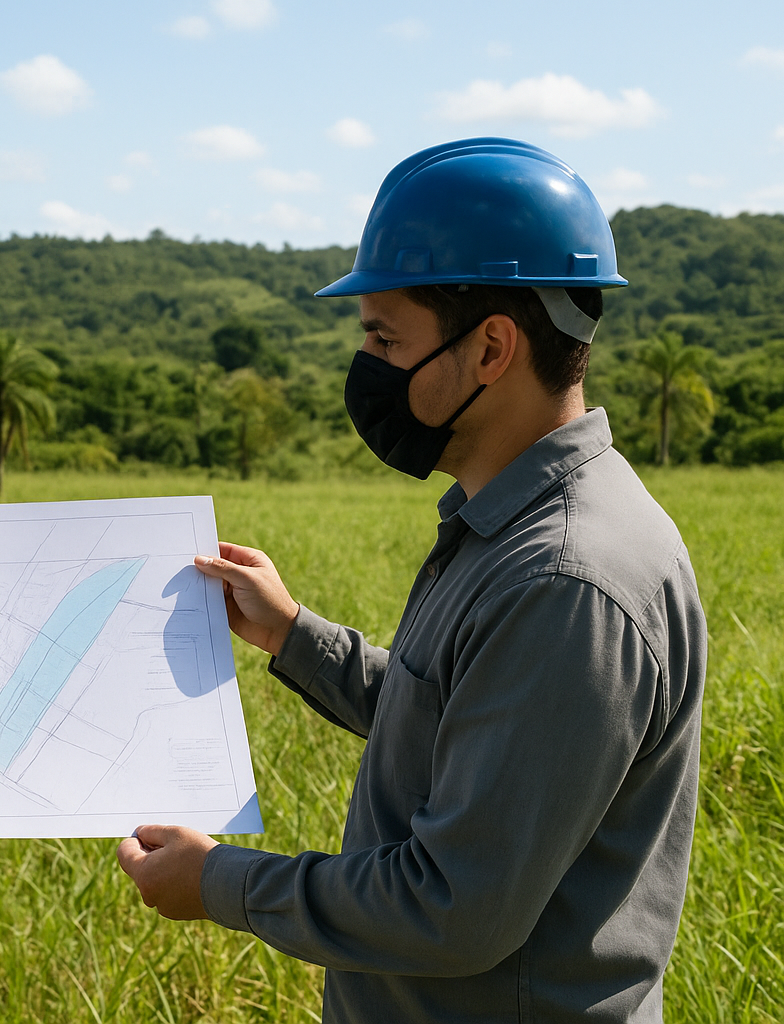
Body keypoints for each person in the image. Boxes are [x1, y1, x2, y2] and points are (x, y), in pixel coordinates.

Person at [116, 138, 706, 1022]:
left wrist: (221, 882)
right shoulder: (508, 526)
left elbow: (454, 907)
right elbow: (466, 723)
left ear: (491, 348)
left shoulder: (567, 579)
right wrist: (292, 635)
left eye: (386, 338)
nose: (368, 370)